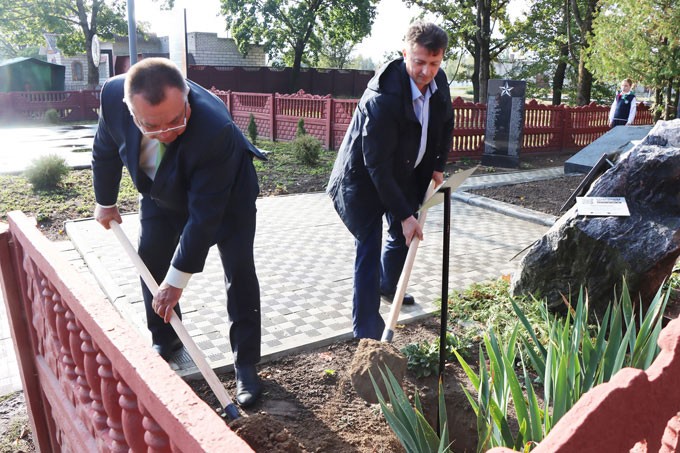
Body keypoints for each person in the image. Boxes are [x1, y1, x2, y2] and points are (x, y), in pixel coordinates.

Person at [92, 57, 265, 407]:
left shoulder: (215, 129)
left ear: (186, 96)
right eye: (151, 126)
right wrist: (105, 201)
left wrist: (177, 281)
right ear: (130, 110)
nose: (167, 133)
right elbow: (106, 149)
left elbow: (203, 218)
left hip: (227, 199)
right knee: (152, 258)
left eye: (176, 120)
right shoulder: (113, 96)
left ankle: (246, 365)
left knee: (239, 271)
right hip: (161, 191)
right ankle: (166, 338)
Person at [326, 22, 454, 340]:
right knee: (368, 246)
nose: (426, 71)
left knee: (402, 235)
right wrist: (406, 215)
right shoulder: (382, 96)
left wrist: (437, 165)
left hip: (406, 171)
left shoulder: (439, 81)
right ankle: (367, 330)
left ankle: (389, 286)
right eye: (419, 61)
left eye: (435, 63)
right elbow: (377, 166)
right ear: (405, 52)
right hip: (362, 179)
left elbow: (445, 123)